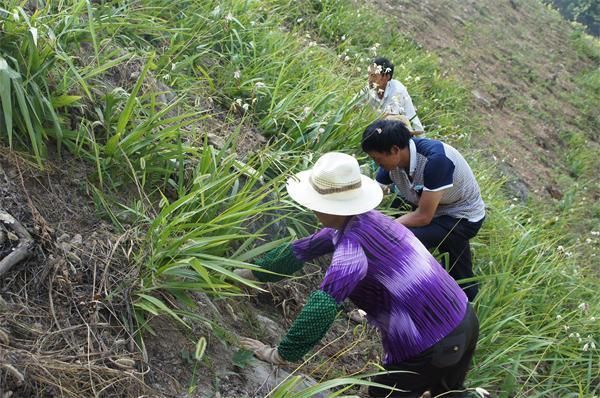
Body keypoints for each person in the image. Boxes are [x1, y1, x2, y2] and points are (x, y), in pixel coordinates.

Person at [237, 152, 480, 397]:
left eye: (315, 204)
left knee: (381, 395)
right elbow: (300, 250)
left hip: (429, 342)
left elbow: (322, 307)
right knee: (446, 394)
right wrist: (247, 274)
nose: (311, 209)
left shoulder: (351, 251)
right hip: (463, 318)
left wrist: (279, 354)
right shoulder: (372, 221)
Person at [361, 120, 485, 301]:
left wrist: (387, 227)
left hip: (460, 216)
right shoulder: (393, 163)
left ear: (394, 150)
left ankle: (391, 293)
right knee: (459, 268)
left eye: (377, 159)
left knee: (400, 241)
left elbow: (424, 217)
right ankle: (466, 296)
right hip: (428, 204)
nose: (377, 164)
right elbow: (374, 193)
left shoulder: (436, 161)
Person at [361, 57, 425, 135]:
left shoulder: (397, 90)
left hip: (408, 134)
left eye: (374, 76)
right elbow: (352, 107)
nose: (370, 79)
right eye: (369, 74)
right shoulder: (367, 90)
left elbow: (391, 122)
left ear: (386, 77)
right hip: (382, 133)